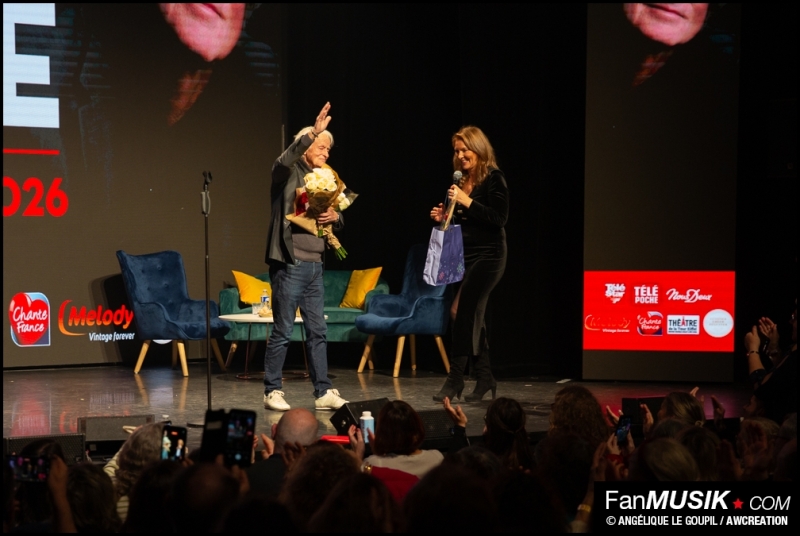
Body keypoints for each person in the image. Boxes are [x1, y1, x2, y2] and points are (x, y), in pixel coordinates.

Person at [263, 102, 348, 411]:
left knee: (318, 331)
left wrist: (333, 218)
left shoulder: (327, 177)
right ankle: (272, 389)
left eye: (328, 148)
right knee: (283, 330)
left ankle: (323, 391)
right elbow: (281, 161)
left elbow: (340, 212)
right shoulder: (287, 173)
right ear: (307, 146)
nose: (326, 152)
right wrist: (313, 131)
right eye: (321, 146)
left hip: (315, 265)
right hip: (290, 262)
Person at [430, 126, 509, 402]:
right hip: (466, 255)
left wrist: (466, 201)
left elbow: (499, 218)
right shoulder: (459, 181)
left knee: (460, 311)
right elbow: (459, 222)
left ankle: (455, 381)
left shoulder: (494, 178)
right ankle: (485, 376)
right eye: (457, 151)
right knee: (469, 314)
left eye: (466, 150)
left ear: (478, 149)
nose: (461, 155)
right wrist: (443, 216)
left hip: (490, 256)